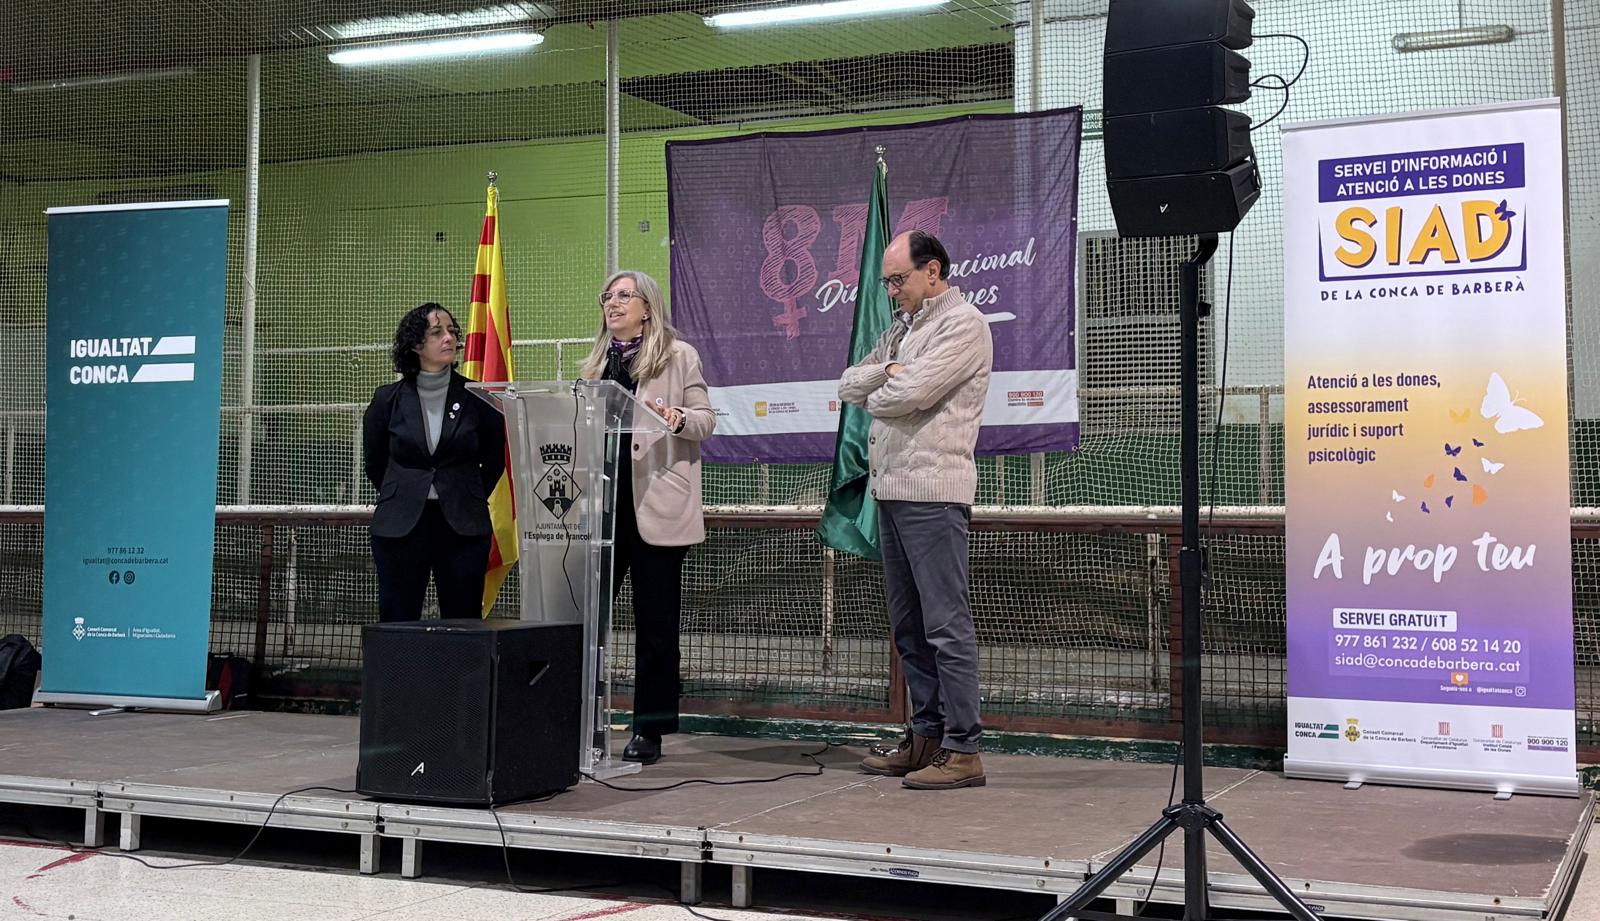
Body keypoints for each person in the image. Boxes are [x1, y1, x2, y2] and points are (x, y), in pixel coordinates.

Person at [838, 230, 993, 790]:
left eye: (899, 279)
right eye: (887, 282)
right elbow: (850, 382)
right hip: (892, 490)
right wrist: (890, 372)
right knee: (908, 628)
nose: (892, 291)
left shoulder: (963, 324)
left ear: (934, 271)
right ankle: (925, 737)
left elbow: (909, 396)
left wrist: (892, 382)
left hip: (934, 491)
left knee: (945, 625)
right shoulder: (900, 331)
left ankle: (963, 748)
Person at [579, 269, 716, 765]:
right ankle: (577, 718)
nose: (612, 304)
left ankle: (649, 731)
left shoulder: (680, 357)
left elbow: (705, 420)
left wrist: (676, 418)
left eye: (622, 296)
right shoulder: (594, 366)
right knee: (585, 621)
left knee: (656, 627)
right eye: (606, 297)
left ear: (647, 307)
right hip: (601, 509)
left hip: (657, 505)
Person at [363, 302, 506, 622]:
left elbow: (495, 458)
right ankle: (399, 675)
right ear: (416, 344)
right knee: (397, 618)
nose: (449, 339)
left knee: (462, 619)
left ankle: (461, 675)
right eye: (437, 332)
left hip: (463, 526)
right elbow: (375, 462)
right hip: (401, 525)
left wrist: (467, 495)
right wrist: (405, 491)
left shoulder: (478, 397)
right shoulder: (387, 398)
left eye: (452, 332)